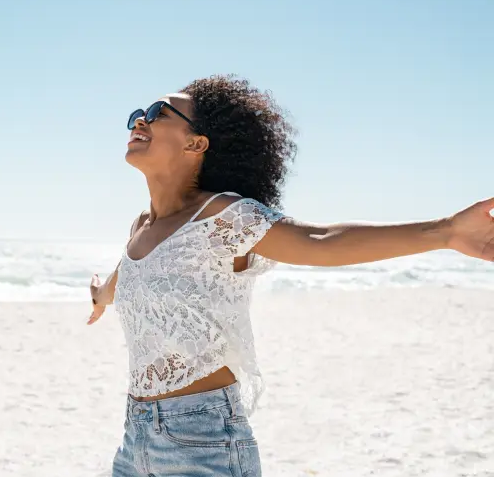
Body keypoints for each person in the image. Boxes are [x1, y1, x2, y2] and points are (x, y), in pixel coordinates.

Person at [87, 75, 493, 477]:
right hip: (133, 439)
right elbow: (127, 276)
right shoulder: (142, 225)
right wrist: (100, 295)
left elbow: (318, 240)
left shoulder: (222, 216)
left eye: (157, 113)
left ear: (196, 143)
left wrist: (445, 232)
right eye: (138, 114)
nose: (140, 120)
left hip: (201, 441)